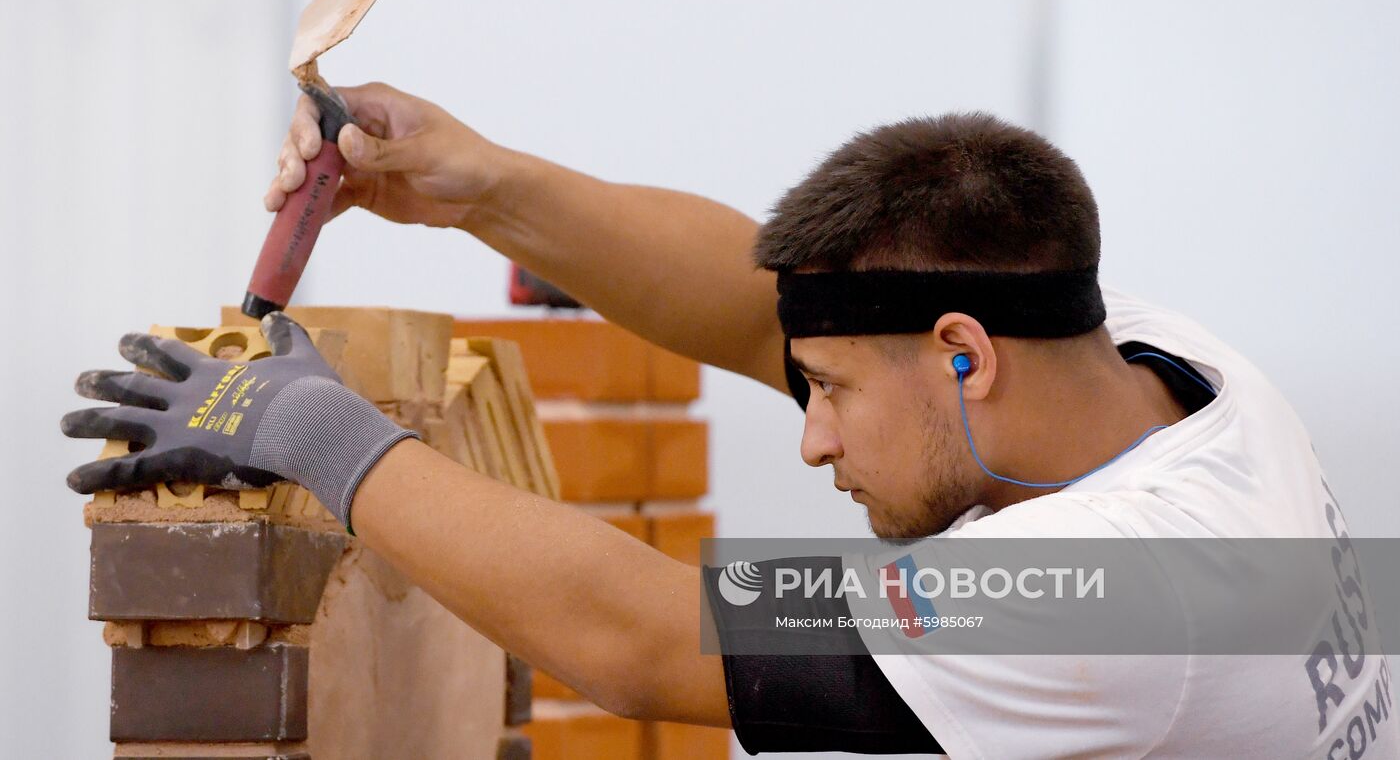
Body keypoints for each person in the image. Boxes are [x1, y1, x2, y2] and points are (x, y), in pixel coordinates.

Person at [63, 85, 1393, 758]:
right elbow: (771, 310)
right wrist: (482, 184)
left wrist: (317, 435)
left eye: (828, 398)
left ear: (964, 358)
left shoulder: (1115, 596)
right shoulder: (1171, 372)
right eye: (811, 389)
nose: (808, 438)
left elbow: (649, 642)